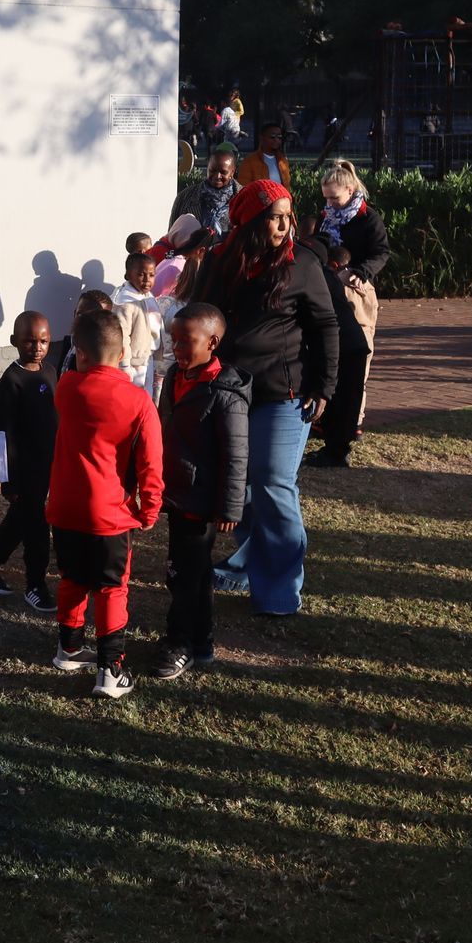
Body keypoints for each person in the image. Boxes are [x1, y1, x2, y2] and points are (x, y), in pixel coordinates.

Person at [190, 178, 337, 618]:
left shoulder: (301, 263)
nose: (284, 225)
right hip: (228, 391)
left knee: (273, 483)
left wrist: (324, 386)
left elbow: (326, 325)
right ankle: (248, 562)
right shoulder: (221, 259)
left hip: (282, 394)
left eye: (287, 216)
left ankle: (278, 592)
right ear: (251, 221)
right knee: (237, 485)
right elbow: (202, 317)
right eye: (275, 217)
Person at [44, 309, 164, 699]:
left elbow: (76, 374)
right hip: (109, 515)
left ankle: (68, 649)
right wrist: (149, 508)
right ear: (123, 351)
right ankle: (111, 671)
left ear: (79, 353)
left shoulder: (66, 388)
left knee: (73, 578)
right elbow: (151, 462)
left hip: (64, 510)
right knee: (112, 587)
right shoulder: (139, 402)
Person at [154, 303, 249, 679]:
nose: (176, 347)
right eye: (173, 339)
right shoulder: (176, 376)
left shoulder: (225, 393)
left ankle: (179, 643)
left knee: (185, 577)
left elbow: (236, 455)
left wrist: (229, 508)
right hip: (178, 494)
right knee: (192, 572)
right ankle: (202, 642)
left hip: (202, 501)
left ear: (212, 343)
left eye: (186, 341)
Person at [0, 311, 59, 613]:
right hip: (25, 471)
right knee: (36, 527)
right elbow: (4, 436)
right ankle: (36, 585)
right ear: (14, 341)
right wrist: (8, 480)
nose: (37, 347)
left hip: (49, 466)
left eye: (43, 341)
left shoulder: (51, 372)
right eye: (29, 341)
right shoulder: (10, 382)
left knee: (20, 520)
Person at [314, 160, 389, 433]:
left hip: (356, 290)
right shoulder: (326, 216)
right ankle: (326, 417)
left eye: (334, 198)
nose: (330, 204)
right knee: (329, 351)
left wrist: (361, 272)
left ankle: (353, 419)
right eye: (326, 198)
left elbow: (381, 251)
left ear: (349, 189)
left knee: (359, 354)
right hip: (328, 285)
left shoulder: (368, 218)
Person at [302, 238, 372, 468]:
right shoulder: (328, 276)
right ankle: (337, 449)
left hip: (343, 344)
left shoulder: (314, 276)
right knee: (347, 399)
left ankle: (335, 452)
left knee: (340, 399)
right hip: (352, 341)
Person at [112, 252, 166, 399]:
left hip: (148, 359)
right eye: (141, 275)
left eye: (152, 275)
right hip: (133, 364)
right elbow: (122, 336)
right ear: (128, 275)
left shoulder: (147, 296)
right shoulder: (125, 302)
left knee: (146, 398)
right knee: (133, 398)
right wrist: (125, 366)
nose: (147, 280)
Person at [169, 149, 240, 242]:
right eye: (212, 170)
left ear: (232, 172)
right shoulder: (185, 197)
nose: (217, 176)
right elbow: (171, 236)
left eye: (223, 172)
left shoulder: (244, 199)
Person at [238, 121, 292, 187]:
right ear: (262, 138)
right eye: (272, 137)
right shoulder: (250, 161)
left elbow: (287, 186)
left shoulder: (283, 160)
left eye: (279, 137)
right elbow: (243, 187)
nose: (276, 140)